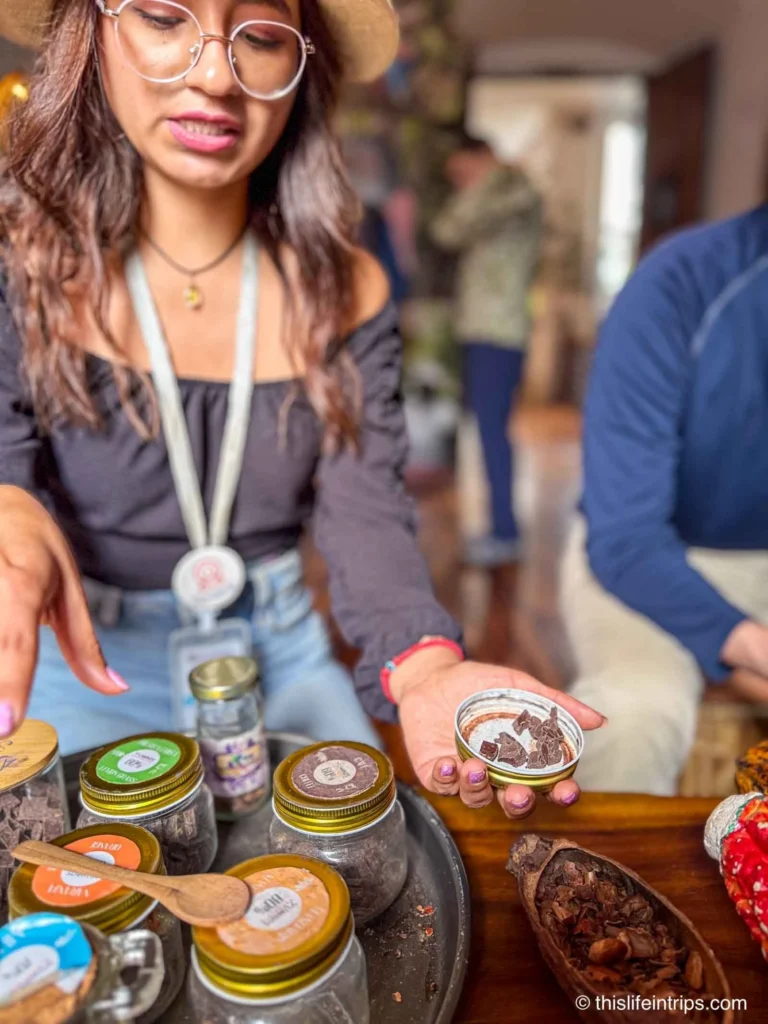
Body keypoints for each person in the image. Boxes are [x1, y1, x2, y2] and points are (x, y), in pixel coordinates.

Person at [0, 0, 602, 818]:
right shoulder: (19, 259)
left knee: (370, 882)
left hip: (277, 650)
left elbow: (365, 509)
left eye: (260, 34)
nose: (216, 74)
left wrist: (422, 662)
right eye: (162, 15)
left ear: (301, 67)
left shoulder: (350, 290)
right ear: (92, 32)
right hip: (84, 656)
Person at [562, 206, 768, 796]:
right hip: (651, 556)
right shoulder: (681, 283)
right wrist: (748, 646)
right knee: (635, 720)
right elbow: (626, 540)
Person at [431, 134, 542, 568]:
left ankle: (505, 532)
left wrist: (485, 180)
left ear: (485, 157)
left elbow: (451, 227)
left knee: (494, 430)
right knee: (485, 429)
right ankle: (500, 527)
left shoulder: (516, 191)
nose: (462, 182)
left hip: (502, 330)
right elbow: (446, 231)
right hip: (478, 327)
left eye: (464, 171)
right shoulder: (493, 194)